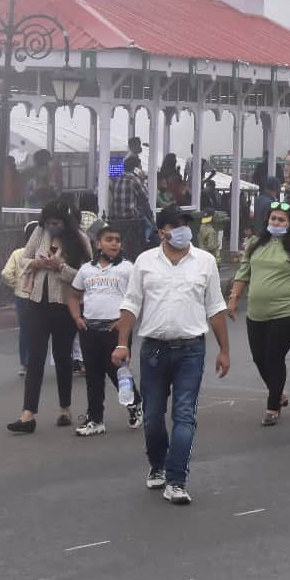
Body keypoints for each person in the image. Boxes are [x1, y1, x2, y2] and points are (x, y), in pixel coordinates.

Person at [113, 206, 230, 505]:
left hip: (191, 348)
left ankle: (177, 480)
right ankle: (158, 464)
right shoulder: (145, 262)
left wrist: (224, 350)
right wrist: (122, 343)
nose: (181, 230)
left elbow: (215, 307)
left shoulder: (204, 262)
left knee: (184, 415)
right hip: (153, 349)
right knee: (152, 416)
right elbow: (131, 303)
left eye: (184, 224)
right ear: (161, 230)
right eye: (174, 225)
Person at [7, 202, 92, 435]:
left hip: (64, 305)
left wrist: (60, 267)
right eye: (48, 223)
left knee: (62, 356)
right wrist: (37, 262)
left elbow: (85, 275)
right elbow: (23, 259)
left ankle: (65, 408)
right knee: (35, 357)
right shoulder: (39, 233)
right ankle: (28, 414)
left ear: (65, 223)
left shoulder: (79, 240)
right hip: (37, 302)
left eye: (56, 223)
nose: (51, 227)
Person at [229, 202, 290, 425]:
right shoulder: (255, 243)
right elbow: (243, 271)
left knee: (274, 357)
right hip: (255, 313)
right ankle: (279, 393)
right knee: (259, 358)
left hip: (286, 312)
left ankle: (272, 406)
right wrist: (234, 298)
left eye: (281, 220)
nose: (275, 223)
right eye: (272, 219)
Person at [67, 225, 140, 436]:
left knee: (118, 372)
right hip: (90, 329)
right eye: (109, 239)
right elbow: (73, 295)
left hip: (116, 329)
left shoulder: (127, 268)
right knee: (93, 376)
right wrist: (76, 317)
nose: (114, 243)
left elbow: (137, 298)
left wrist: (124, 322)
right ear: (98, 244)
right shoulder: (86, 270)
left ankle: (135, 404)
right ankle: (96, 419)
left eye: (118, 240)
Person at [2, 221, 39, 377]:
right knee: (38, 331)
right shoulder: (43, 254)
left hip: (21, 297)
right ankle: (37, 362)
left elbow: (5, 274)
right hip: (39, 297)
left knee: (25, 330)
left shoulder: (17, 254)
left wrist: (16, 285)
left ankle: (25, 363)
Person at [109, 154, 153, 260]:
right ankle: (146, 242)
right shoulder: (134, 179)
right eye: (140, 166)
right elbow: (145, 197)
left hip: (117, 219)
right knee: (151, 226)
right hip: (131, 220)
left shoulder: (118, 178)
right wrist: (142, 180)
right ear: (136, 168)